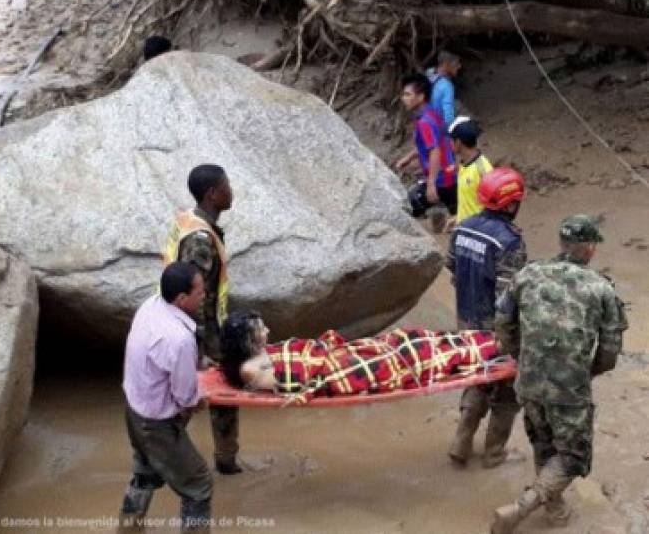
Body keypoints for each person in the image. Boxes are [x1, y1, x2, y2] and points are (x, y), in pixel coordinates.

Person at [490, 215, 628, 534]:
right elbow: (609, 351)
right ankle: (522, 507)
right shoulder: (601, 287)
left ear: (562, 243)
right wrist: (585, 372)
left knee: (543, 442)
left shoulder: (527, 274)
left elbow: (502, 322)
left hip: (528, 382)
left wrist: (521, 357)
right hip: (569, 388)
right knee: (573, 456)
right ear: (590, 248)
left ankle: (555, 509)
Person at [219, 312, 501, 403]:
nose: (268, 331)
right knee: (414, 356)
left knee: (404, 339)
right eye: (260, 330)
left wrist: (317, 352)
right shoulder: (249, 369)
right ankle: (491, 346)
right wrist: (319, 358)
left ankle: (483, 340)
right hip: (335, 372)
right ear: (248, 340)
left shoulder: (256, 356)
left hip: (333, 358)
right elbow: (297, 380)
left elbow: (296, 357)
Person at [119, 262, 213, 533]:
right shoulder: (180, 338)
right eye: (200, 292)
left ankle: (127, 529)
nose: (204, 295)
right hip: (156, 424)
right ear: (182, 299)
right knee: (199, 484)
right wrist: (200, 401)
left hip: (134, 409)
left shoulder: (149, 306)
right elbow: (185, 397)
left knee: (145, 475)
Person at [446, 167, 527, 468]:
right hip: (494, 329)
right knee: (506, 392)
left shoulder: (463, 227)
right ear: (510, 204)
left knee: (476, 378)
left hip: (465, 322)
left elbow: (451, 267)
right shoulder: (510, 242)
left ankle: (461, 440)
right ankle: (493, 453)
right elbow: (509, 297)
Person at [164, 164, 241, 475]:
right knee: (194, 397)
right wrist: (198, 351)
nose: (231, 191)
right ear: (213, 194)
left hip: (206, 331)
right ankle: (159, 456)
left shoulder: (191, 223)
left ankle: (226, 461)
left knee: (220, 397)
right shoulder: (199, 238)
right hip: (201, 334)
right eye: (227, 186)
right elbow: (194, 298)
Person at [394, 74, 458, 220]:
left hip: (442, 179)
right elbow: (430, 144)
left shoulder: (424, 123)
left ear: (421, 97)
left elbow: (434, 150)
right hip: (450, 173)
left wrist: (431, 184)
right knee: (458, 213)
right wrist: (408, 158)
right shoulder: (432, 114)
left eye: (408, 94)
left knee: (411, 206)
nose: (403, 98)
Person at [449, 116, 493, 227]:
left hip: (477, 232)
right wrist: (458, 218)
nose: (449, 143)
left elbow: (493, 207)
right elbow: (470, 201)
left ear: (458, 142)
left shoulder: (483, 170)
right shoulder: (464, 165)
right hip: (464, 229)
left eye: (451, 140)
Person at [427, 50, 460, 128]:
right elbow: (448, 115)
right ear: (446, 65)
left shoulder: (429, 74)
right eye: (456, 63)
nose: (459, 66)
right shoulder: (446, 85)